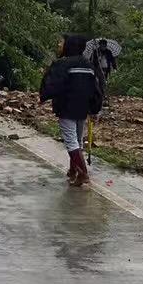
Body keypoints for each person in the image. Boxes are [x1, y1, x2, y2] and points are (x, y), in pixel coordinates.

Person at [40, 33, 104, 186]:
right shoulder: (89, 65)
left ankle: (83, 173)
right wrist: (95, 108)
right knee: (77, 140)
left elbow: (53, 84)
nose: (59, 45)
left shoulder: (63, 64)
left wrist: (44, 96)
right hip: (83, 109)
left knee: (71, 141)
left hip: (67, 107)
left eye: (62, 43)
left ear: (69, 45)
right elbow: (97, 88)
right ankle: (73, 170)